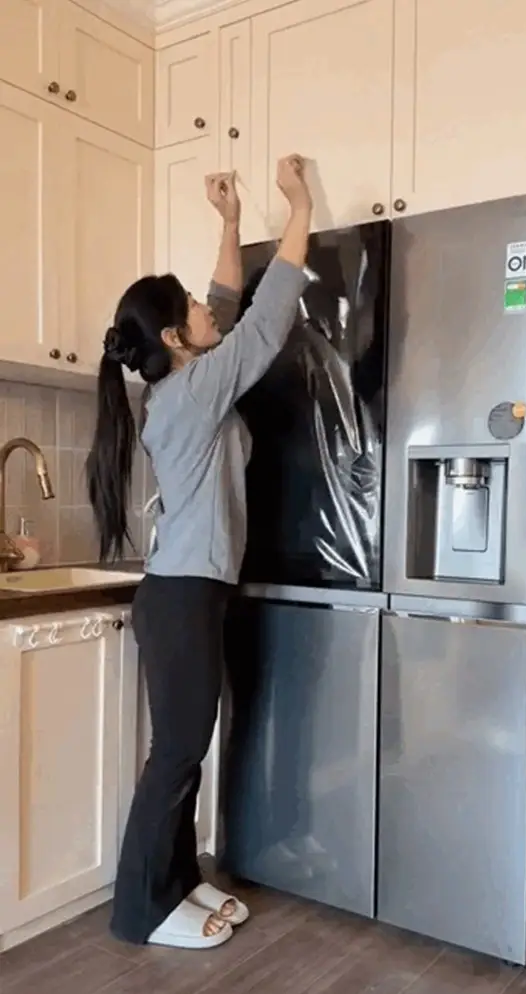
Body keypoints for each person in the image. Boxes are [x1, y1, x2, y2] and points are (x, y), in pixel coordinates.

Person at [86, 155, 313, 949]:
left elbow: (222, 310)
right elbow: (262, 324)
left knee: (186, 753)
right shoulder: (191, 393)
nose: (203, 306)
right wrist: (299, 210)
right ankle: (139, 910)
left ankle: (177, 883)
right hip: (183, 597)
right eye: (187, 306)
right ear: (174, 340)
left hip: (190, 593)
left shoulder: (184, 384)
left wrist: (231, 222)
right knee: (178, 754)